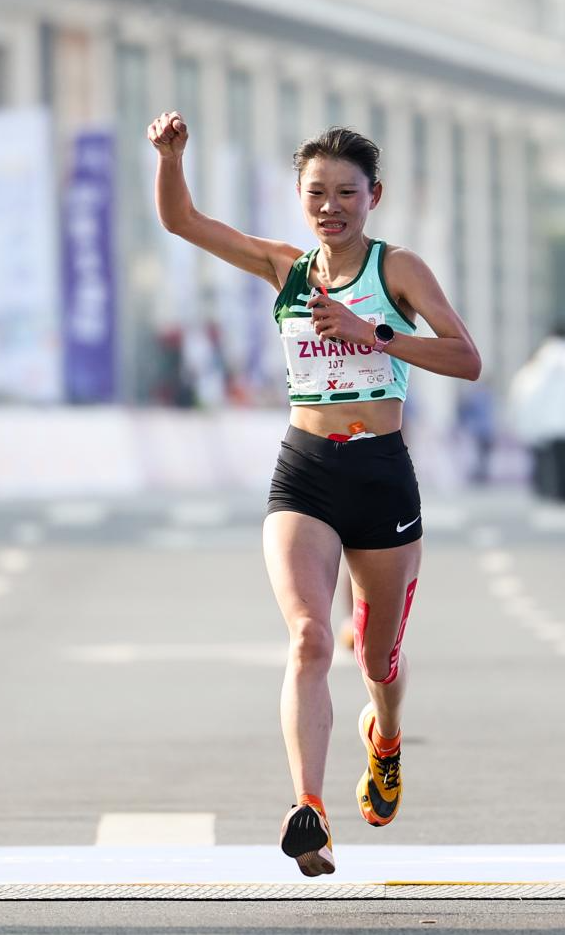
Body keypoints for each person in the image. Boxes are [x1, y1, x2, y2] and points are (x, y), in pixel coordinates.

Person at [148, 112, 482, 876]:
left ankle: (385, 739)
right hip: (305, 470)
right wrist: (170, 158)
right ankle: (310, 810)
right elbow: (182, 221)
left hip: (381, 473)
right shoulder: (285, 268)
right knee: (309, 638)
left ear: (374, 197)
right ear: (299, 197)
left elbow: (466, 358)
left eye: (346, 193)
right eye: (315, 193)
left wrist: (376, 335)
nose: (330, 207)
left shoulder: (399, 271)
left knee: (378, 657)